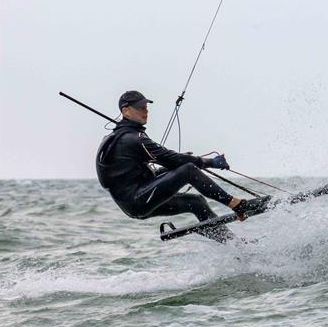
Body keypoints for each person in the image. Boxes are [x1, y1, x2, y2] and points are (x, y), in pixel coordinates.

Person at [96, 90, 267, 242]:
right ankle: (238, 205)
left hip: (136, 198)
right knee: (188, 170)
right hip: (137, 200)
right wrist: (209, 162)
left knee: (197, 202)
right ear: (125, 111)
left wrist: (178, 163)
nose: (145, 111)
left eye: (146, 106)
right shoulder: (133, 139)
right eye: (140, 107)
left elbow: (143, 171)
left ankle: (235, 246)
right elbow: (171, 159)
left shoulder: (121, 137)